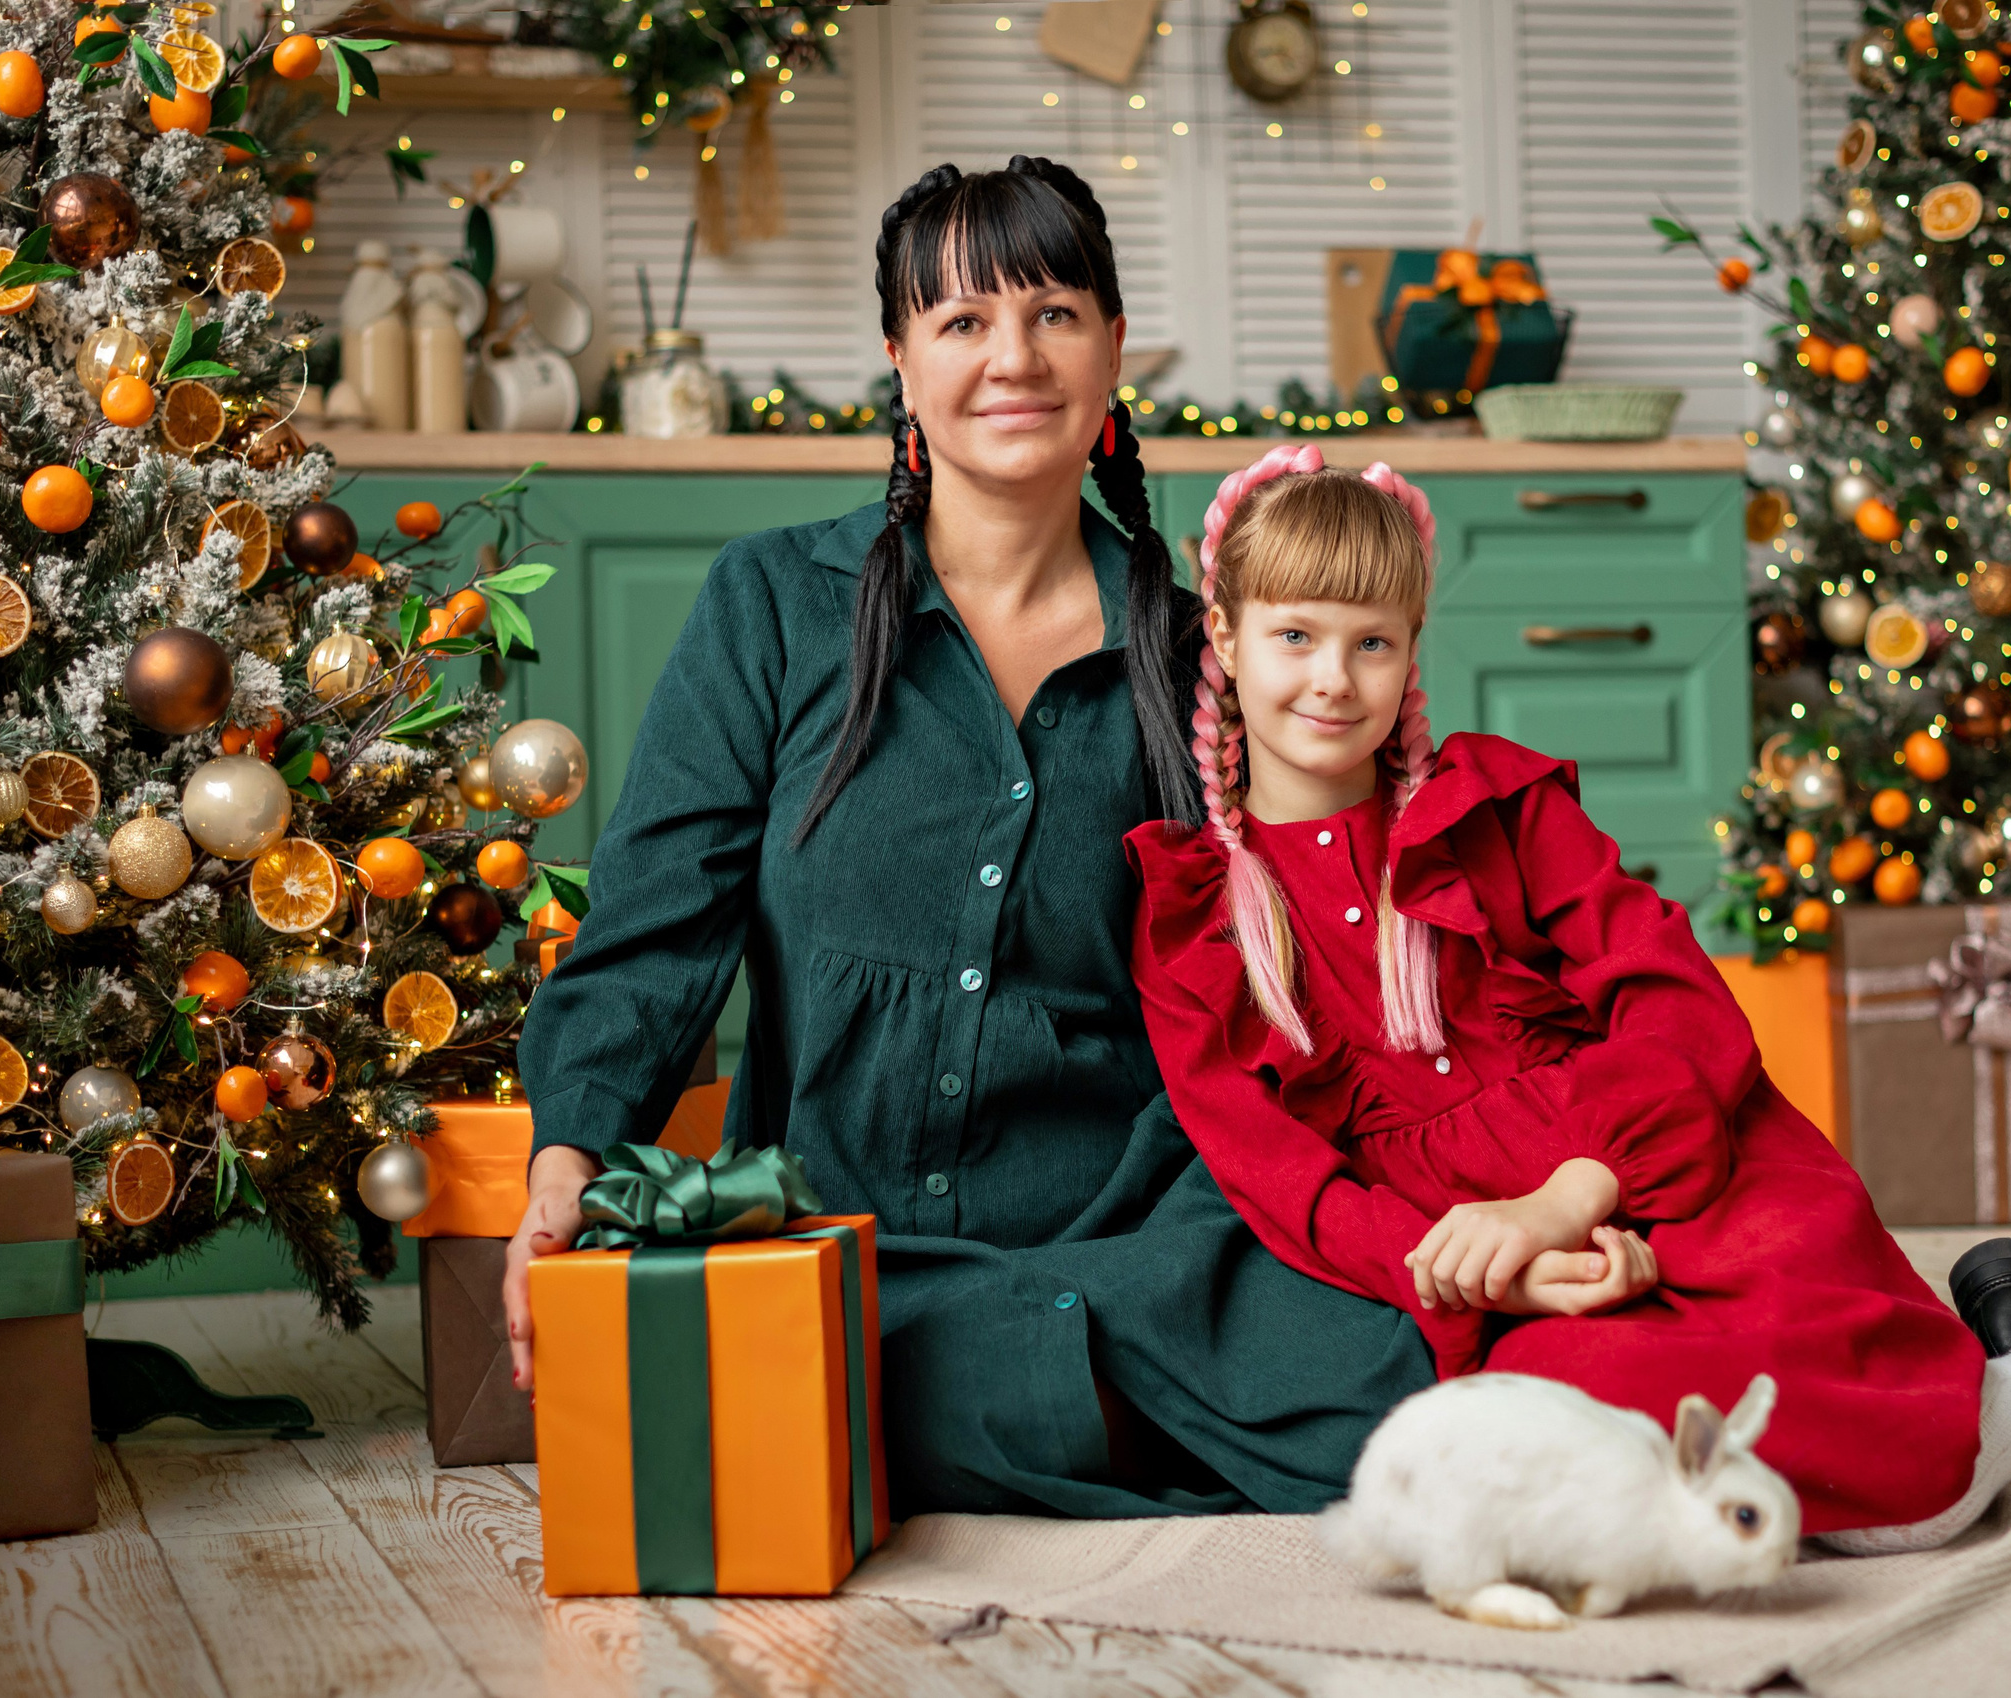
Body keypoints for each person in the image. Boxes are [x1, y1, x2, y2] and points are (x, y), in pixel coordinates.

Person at [502, 161, 1435, 1518]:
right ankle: (1067, 1409)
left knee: (1413, 1376)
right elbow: (654, 932)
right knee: (815, 1376)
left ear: (1115, 346)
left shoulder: (1207, 649)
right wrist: (567, 1164)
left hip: (1148, 1240)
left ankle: (1042, 1399)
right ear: (900, 360)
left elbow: (1305, 975)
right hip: (841, 1239)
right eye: (962, 322)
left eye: (1057, 313)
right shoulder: (771, 603)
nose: (1016, 358)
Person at [1125, 445, 2011, 1544]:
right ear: (1222, 634)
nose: (1332, 679)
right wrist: (1502, 1267)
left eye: (1370, 642)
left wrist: (1572, 1195)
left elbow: (1682, 1004)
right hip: (1499, 1272)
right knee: (1624, 1458)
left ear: (1411, 648)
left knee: (1917, 1482)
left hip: (1682, 1160)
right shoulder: (1193, 924)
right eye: (1294, 636)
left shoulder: (1497, 809)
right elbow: (1285, 1186)